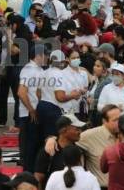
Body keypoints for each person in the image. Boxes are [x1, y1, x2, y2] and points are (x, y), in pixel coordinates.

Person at [34, 114, 85, 187]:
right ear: (63, 130)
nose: (80, 132)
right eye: (76, 129)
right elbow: (38, 178)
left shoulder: (80, 151)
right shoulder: (48, 151)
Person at [17, 43, 45, 172]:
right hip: (29, 114)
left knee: (35, 145)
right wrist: (31, 110)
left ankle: (32, 171)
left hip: (35, 111)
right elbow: (21, 92)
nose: (47, 58)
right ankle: (27, 173)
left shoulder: (39, 70)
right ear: (39, 56)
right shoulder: (28, 70)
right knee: (30, 146)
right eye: (46, 55)